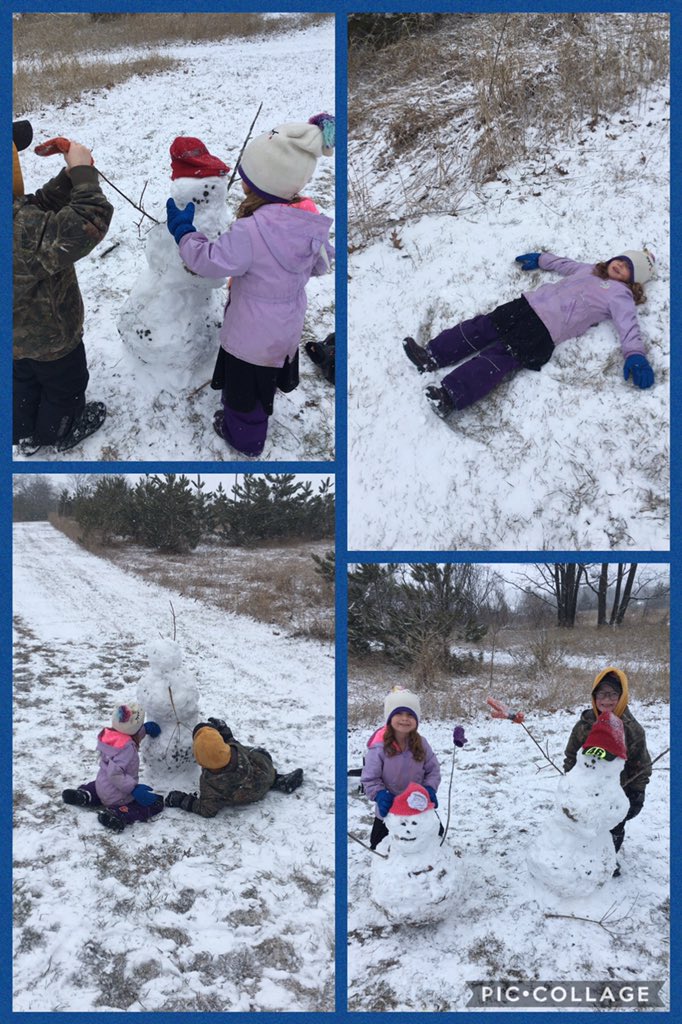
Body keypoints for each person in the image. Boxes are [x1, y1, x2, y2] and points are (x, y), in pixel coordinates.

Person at [166, 113, 335, 458]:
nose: (241, 179)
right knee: (262, 381)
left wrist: (184, 233)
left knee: (244, 395)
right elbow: (322, 263)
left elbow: (209, 260)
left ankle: (245, 438)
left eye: (247, 175)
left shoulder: (251, 232)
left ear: (262, 183)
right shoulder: (307, 221)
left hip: (250, 335)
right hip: (284, 328)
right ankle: (252, 412)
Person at [403, 249, 657, 418]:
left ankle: (449, 396)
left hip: (545, 331)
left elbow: (628, 325)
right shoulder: (590, 269)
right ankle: (431, 356)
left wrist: (635, 354)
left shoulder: (620, 296)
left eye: (628, 268)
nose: (620, 265)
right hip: (525, 306)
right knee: (481, 326)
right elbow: (565, 264)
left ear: (632, 281)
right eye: (621, 259)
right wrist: (543, 259)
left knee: (498, 358)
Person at [13, 120, 113, 455]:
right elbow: (88, 221)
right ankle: (57, 432)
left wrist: (68, 179)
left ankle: (22, 430)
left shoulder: (20, 221)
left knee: (22, 382)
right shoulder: (19, 229)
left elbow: (36, 210)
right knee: (65, 389)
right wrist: (83, 174)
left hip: (15, 340)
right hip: (51, 338)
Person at [564, 667, 652, 873]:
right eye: (601, 694)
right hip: (587, 791)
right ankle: (584, 857)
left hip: (617, 792)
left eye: (613, 694)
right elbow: (571, 755)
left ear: (622, 696)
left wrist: (637, 792)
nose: (607, 700)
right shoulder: (584, 725)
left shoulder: (633, 730)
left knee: (613, 827)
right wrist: (570, 782)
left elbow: (642, 765)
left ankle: (607, 862)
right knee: (585, 825)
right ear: (594, 697)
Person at [164, 718, 304, 817]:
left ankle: (275, 781)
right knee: (259, 753)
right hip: (264, 774)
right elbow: (231, 741)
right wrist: (223, 729)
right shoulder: (236, 751)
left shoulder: (209, 784)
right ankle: (278, 780)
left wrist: (182, 800)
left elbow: (207, 810)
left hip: (247, 796)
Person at [62, 701, 163, 833]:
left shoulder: (110, 735)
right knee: (155, 803)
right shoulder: (127, 749)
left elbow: (128, 734)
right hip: (118, 794)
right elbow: (115, 774)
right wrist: (133, 789)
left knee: (98, 786)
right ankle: (118, 814)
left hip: (101, 785)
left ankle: (85, 795)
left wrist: (145, 729)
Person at [361, 687, 441, 849]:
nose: (405, 719)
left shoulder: (422, 743)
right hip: (389, 807)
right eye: (398, 713)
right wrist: (379, 794)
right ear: (389, 717)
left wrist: (429, 789)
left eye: (410, 715)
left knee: (436, 839)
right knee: (379, 846)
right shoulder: (378, 747)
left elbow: (433, 770)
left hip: (418, 805)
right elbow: (370, 778)